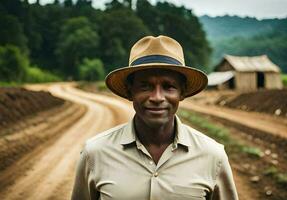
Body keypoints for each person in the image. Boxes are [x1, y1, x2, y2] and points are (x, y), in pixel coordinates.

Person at [71, 35, 239, 200]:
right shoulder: (94, 154)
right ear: (130, 91)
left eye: (168, 86)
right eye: (145, 86)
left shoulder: (212, 156)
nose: (157, 97)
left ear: (182, 92)